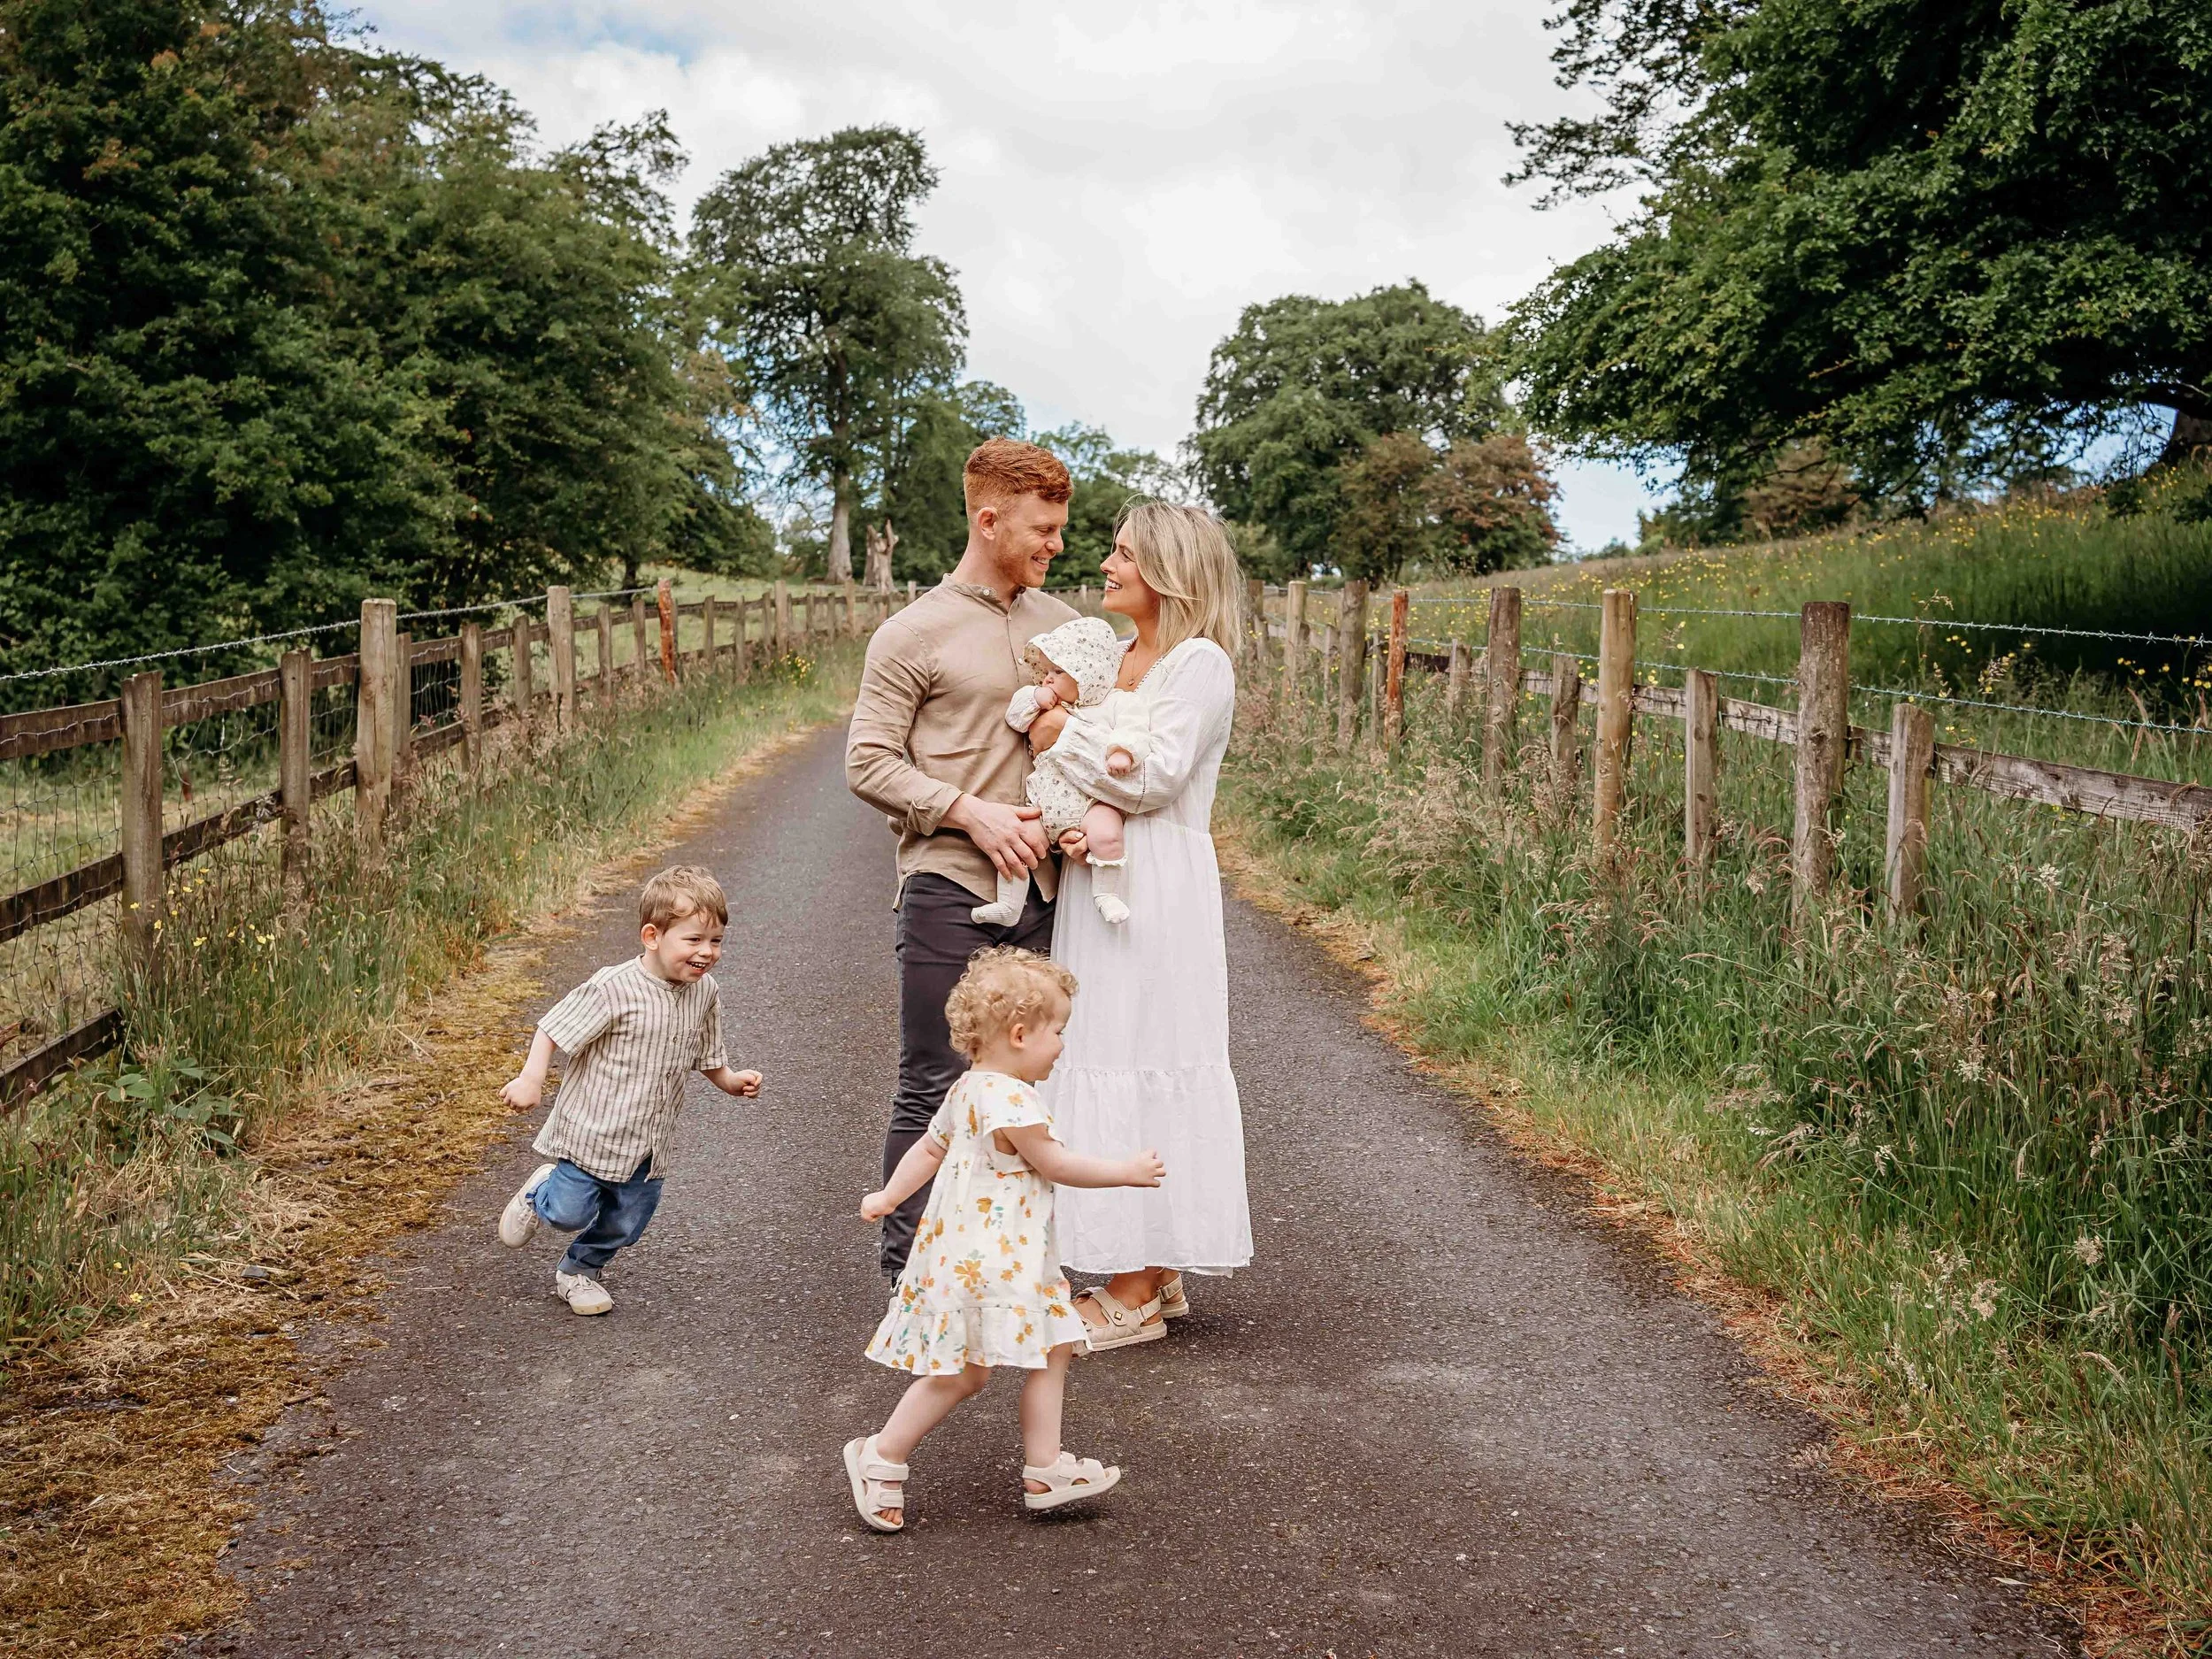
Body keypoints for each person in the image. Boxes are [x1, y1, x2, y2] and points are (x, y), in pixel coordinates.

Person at [845, 437, 1079, 1277]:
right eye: (1042, 528)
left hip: (1060, 890)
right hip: (949, 887)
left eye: (1061, 528)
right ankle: (911, 1270)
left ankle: (1009, 1259)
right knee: (937, 1077)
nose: (1057, 544)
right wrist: (969, 811)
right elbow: (866, 760)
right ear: (989, 519)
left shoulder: (1067, 629)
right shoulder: (912, 633)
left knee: (1035, 1083)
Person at [1024, 502, 1252, 1348]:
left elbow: (1152, 778)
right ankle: (1154, 1263)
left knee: (1151, 1050)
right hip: (1102, 878)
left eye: (1123, 553)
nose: (1107, 564)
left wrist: (1058, 734)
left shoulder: (1199, 664)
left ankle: (1134, 1288)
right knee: (1105, 1051)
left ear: (1167, 570)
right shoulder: (1116, 658)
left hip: (1160, 882)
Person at [844, 948, 1164, 1532]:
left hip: (979, 1258)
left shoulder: (968, 1087)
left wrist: (890, 1196)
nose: (1063, 1045)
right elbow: (1055, 1162)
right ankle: (881, 1454)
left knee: (1034, 1350)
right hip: (996, 1261)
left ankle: (1043, 1468)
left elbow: (930, 1147)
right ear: (1020, 1034)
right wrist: (1125, 1170)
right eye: (1058, 1031)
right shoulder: (1014, 1100)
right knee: (977, 1368)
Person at [495, 865, 763, 1316]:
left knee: (627, 1221)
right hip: (591, 1135)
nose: (707, 952)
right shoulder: (613, 987)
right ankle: (539, 1192)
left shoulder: (705, 992)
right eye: (693, 939)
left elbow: (709, 1054)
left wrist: (731, 1081)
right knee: (566, 1213)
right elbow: (553, 1029)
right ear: (652, 936)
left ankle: (579, 1271)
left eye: (715, 941)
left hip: (649, 1143)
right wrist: (531, 1079)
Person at [971, 616, 1151, 928]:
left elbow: (1135, 728)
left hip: (1091, 802)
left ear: (1087, 674)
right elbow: (1015, 718)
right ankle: (1008, 904)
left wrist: (1123, 750)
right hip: (1045, 803)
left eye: (1058, 672)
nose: (1047, 679)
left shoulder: (1115, 704)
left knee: (1108, 835)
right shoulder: (1042, 700)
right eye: (1047, 672)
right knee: (1019, 843)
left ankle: (1106, 893)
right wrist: (1034, 700)